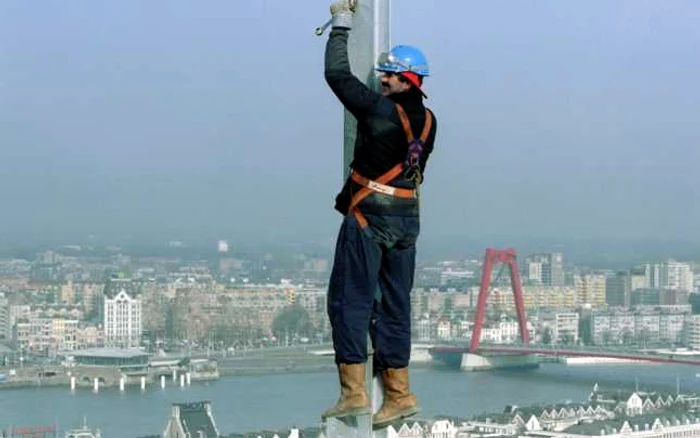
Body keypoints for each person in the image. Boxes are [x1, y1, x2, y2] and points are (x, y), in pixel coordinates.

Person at [320, 0, 438, 429]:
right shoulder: (429, 122)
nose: (381, 79)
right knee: (394, 305)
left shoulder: (379, 110)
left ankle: (353, 392)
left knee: (349, 300)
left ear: (402, 78)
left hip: (370, 217)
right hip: (407, 219)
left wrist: (341, 21)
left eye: (387, 75)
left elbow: (337, 75)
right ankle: (399, 394)